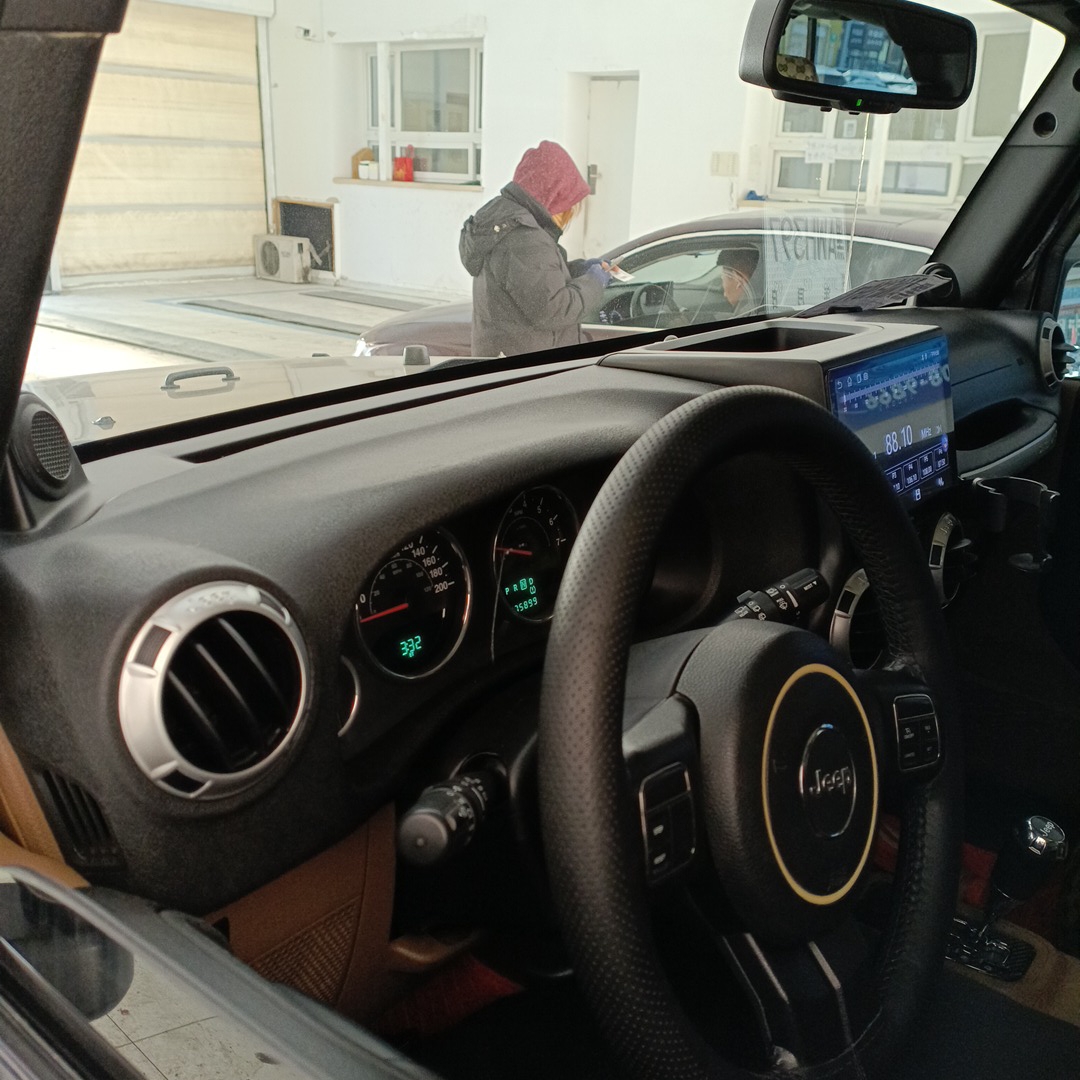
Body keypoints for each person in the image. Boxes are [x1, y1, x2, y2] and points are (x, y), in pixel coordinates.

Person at [459, 140, 612, 357]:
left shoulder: (504, 220)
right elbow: (555, 310)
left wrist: (579, 270)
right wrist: (594, 282)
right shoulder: (524, 238)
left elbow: (528, 280)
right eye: (569, 203)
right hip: (531, 368)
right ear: (554, 193)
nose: (569, 213)